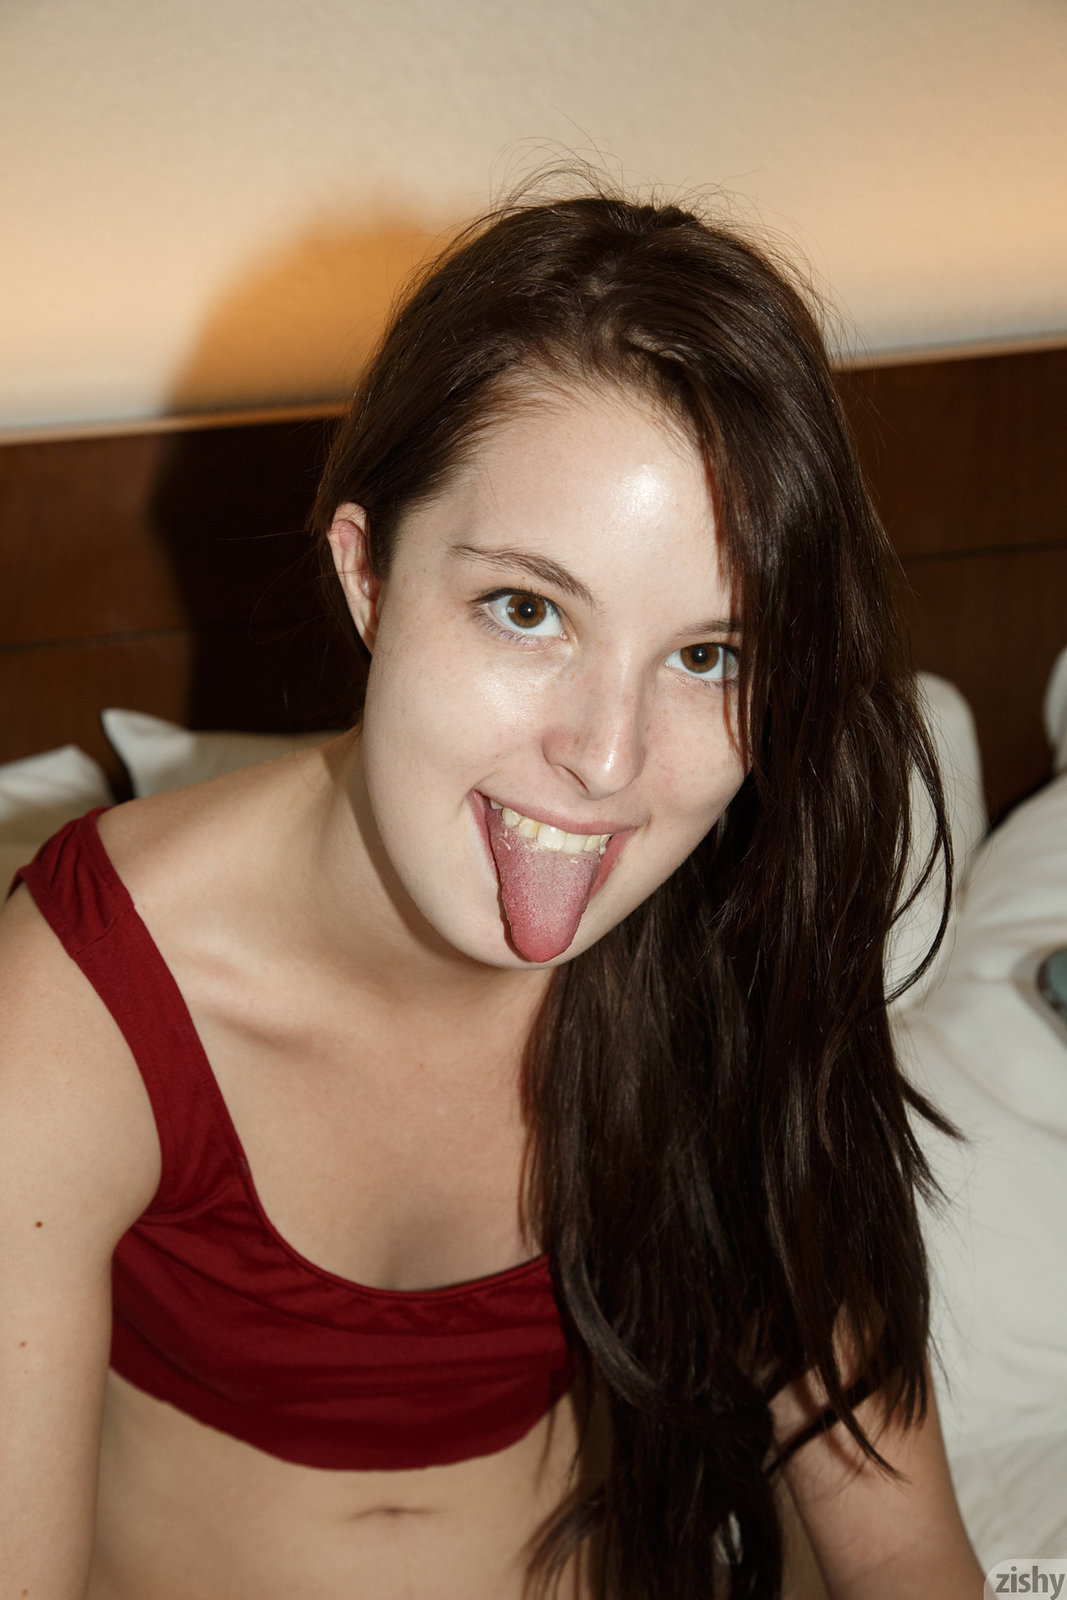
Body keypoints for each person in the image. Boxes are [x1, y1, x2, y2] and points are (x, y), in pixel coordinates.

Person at [0, 188, 984, 1600]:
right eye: (528, 609)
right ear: (368, 575)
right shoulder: (82, 1005)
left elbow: (904, 1549)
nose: (606, 759)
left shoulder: (730, 964)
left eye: (709, 655)